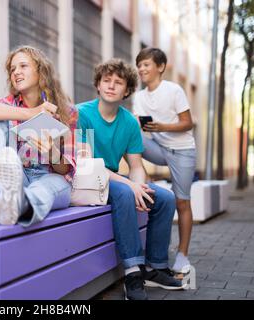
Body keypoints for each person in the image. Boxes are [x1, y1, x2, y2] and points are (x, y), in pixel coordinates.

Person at [76, 58, 187, 300]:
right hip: (84, 179)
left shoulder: (128, 121)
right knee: (126, 192)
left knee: (165, 198)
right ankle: (133, 271)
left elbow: (136, 165)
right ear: (98, 84)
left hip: (113, 179)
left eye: (118, 82)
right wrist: (130, 185)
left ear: (126, 90)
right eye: (107, 80)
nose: (111, 86)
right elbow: (84, 165)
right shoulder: (81, 114)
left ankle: (156, 266)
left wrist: (139, 185)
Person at [0, 45, 78, 227]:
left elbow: (66, 170)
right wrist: (32, 113)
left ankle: (18, 204)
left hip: (51, 177)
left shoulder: (67, 111)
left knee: (44, 189)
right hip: (18, 174)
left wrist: (53, 153)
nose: (16, 72)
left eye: (23, 66)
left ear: (40, 71)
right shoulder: (9, 104)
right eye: (12, 69)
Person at [134, 48, 196, 274]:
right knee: (128, 134)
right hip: (159, 148)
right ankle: (142, 180)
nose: (141, 69)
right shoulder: (140, 96)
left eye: (146, 64)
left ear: (160, 67)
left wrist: (162, 126)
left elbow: (188, 123)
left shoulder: (174, 90)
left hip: (182, 150)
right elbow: (138, 128)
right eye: (139, 65)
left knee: (182, 202)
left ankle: (182, 254)